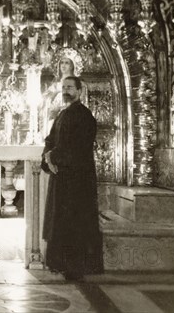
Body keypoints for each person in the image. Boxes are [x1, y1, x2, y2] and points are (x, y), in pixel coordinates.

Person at [41, 76, 103, 280]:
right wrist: (48, 156)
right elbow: (51, 139)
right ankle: (61, 264)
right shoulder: (62, 114)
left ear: (79, 90)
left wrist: (53, 156)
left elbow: (78, 147)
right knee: (60, 221)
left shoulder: (84, 116)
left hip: (77, 180)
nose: (66, 90)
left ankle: (75, 268)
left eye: (70, 87)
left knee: (74, 223)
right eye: (63, 87)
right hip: (62, 176)